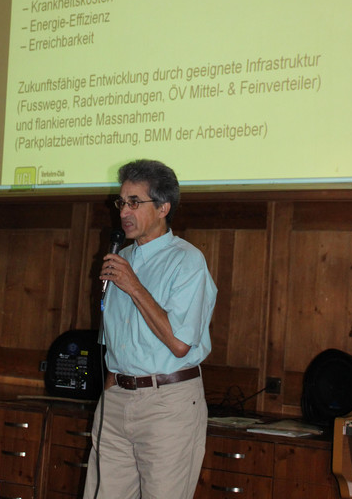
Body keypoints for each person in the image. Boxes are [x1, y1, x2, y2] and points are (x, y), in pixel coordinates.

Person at [84, 159, 217, 499]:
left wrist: (134, 286)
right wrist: (111, 392)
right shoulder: (121, 259)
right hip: (117, 401)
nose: (124, 212)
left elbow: (180, 343)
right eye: (121, 202)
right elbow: (114, 343)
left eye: (134, 202)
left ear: (163, 208)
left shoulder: (186, 261)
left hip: (166, 404)